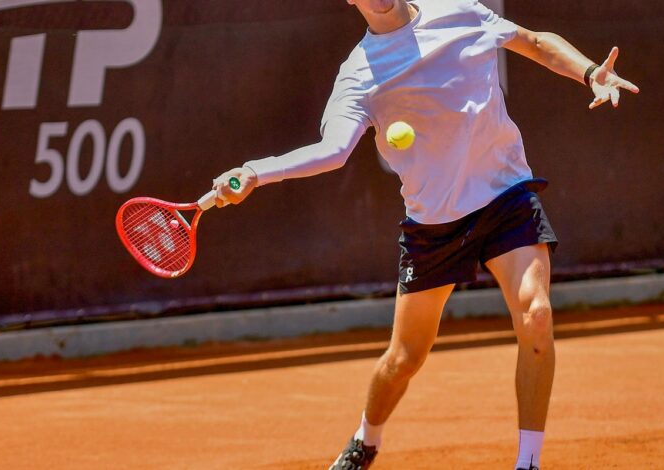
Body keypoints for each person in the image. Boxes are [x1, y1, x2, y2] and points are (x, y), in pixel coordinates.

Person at [210, 0, 640, 468]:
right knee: (405, 357)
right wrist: (256, 172)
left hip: (506, 195)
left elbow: (534, 43)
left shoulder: (459, 11)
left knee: (536, 313)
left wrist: (590, 71)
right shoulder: (359, 73)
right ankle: (365, 439)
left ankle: (528, 462)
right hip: (434, 223)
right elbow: (331, 152)